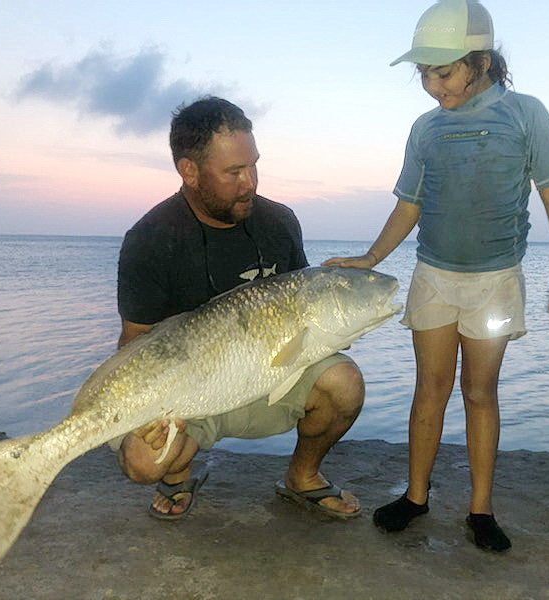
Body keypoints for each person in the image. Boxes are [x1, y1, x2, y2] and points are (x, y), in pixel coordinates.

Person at [324, 0, 549, 551]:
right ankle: (416, 496)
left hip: (495, 280)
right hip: (435, 276)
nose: (433, 85)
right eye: (424, 74)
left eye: (443, 71)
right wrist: (369, 259)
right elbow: (409, 204)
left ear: (482, 62)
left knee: (480, 392)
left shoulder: (525, 114)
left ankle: (480, 509)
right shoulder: (426, 129)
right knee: (430, 390)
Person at [112, 96, 362, 521]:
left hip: (270, 375)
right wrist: (143, 413)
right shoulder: (150, 240)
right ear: (189, 171)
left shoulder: (279, 222)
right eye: (234, 172)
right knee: (142, 461)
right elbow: (136, 342)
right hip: (189, 396)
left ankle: (302, 477)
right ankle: (178, 473)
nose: (251, 182)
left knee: (345, 384)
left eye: (254, 166)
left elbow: (304, 308)